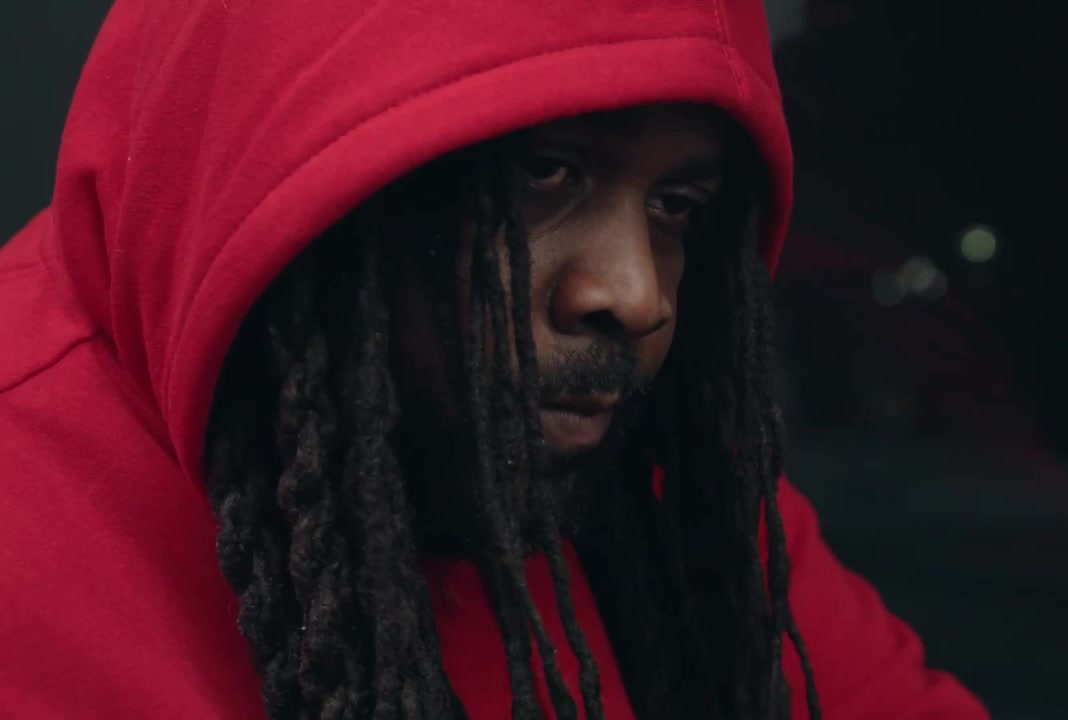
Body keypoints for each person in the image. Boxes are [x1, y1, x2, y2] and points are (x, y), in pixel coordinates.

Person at [0, 1, 989, 718]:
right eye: (543, 173)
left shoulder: (664, 496)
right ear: (289, 175)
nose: (635, 295)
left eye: (675, 206)